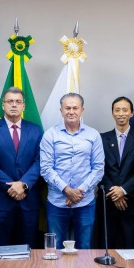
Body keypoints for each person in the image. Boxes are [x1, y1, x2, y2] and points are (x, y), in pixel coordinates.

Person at [39, 93, 105, 250]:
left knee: (85, 248)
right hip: (57, 202)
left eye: (75, 108)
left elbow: (98, 168)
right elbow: (46, 168)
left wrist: (79, 192)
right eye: (67, 108)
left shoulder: (93, 135)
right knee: (54, 249)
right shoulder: (50, 135)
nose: (71, 111)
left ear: (82, 110)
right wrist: (67, 190)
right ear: (61, 111)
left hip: (85, 202)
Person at [0, 87, 43, 248]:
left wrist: (24, 184)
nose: (14, 105)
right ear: (3, 105)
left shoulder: (35, 130)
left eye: (18, 102)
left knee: (29, 251)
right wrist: (12, 186)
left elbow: (40, 161)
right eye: (10, 101)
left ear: (23, 106)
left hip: (28, 201)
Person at [100, 96, 134, 249]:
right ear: (112, 113)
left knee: (132, 249)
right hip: (108, 203)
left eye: (125, 110)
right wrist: (114, 193)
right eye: (117, 110)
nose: (121, 113)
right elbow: (98, 169)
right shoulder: (102, 138)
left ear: (132, 113)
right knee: (108, 249)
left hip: (133, 203)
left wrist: (123, 190)